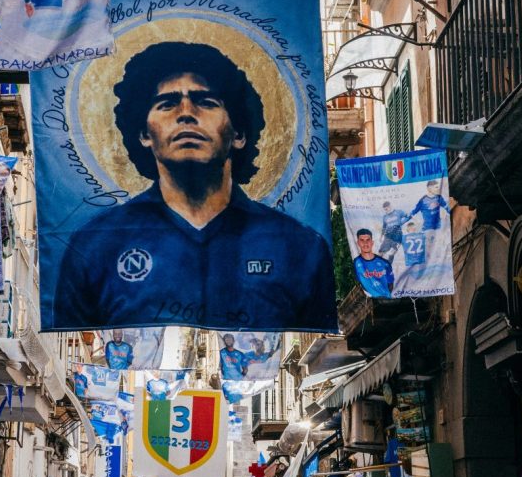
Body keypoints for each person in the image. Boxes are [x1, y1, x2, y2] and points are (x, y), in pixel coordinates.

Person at [51, 42, 336, 330]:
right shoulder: (95, 244)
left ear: (238, 133)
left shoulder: (299, 247)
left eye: (206, 102)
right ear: (143, 133)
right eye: (167, 103)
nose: (186, 112)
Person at [352, 228, 395, 297]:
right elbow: (357, 284)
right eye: (362, 240)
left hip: (385, 300)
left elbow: (390, 284)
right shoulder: (355, 263)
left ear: (372, 242)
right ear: (358, 243)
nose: (365, 243)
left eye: (368, 240)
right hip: (367, 303)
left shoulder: (385, 263)